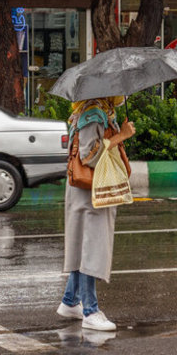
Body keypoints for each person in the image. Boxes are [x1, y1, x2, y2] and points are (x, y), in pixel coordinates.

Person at [57, 97, 135, 331]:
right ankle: (90, 311)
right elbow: (88, 155)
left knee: (84, 245)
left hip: (90, 191)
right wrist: (121, 136)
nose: (123, 95)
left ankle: (71, 301)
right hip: (89, 191)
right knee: (91, 246)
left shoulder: (100, 111)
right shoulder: (93, 114)